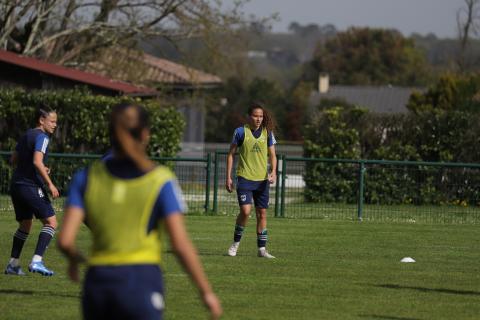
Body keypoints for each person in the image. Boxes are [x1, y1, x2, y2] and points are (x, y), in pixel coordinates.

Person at [57, 103, 222, 320]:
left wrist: (73, 259)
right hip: (140, 281)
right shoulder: (160, 180)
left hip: (97, 283)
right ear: (145, 134)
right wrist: (206, 292)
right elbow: (180, 245)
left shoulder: (86, 177)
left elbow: (65, 241)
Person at [4, 106, 59, 276]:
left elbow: (13, 160)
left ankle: (13, 265)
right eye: (52, 121)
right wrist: (50, 184)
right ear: (41, 120)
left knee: (25, 225)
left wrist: (40, 168)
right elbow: (37, 161)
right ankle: (37, 261)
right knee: (51, 222)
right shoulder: (42, 137)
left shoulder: (26, 135)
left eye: (56, 122)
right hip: (30, 186)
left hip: (17, 185)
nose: (55, 125)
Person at [226, 103, 277, 258]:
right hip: (245, 178)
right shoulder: (240, 132)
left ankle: (262, 250)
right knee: (246, 211)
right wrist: (228, 177)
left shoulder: (267, 133)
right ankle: (235, 244)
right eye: (255, 116)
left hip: (262, 181)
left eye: (261, 116)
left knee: (262, 214)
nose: (258, 119)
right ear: (249, 116)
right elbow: (231, 154)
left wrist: (273, 172)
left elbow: (273, 156)